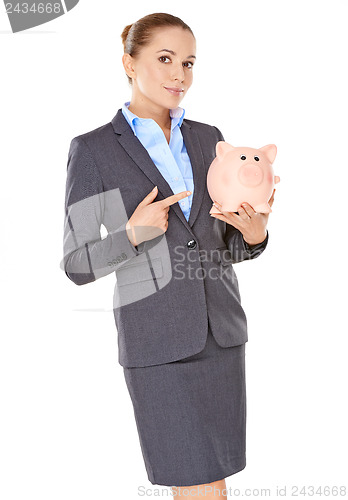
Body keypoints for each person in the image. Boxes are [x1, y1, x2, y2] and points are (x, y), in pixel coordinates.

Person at [62, 12, 275, 499]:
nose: (180, 74)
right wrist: (134, 235)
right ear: (128, 64)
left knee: (211, 483)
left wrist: (256, 234)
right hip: (157, 346)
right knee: (197, 484)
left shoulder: (208, 139)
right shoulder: (94, 150)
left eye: (189, 62)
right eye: (165, 59)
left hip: (221, 338)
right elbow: (77, 263)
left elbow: (224, 244)